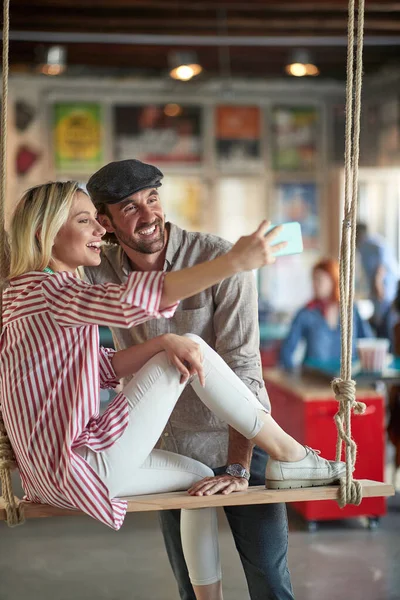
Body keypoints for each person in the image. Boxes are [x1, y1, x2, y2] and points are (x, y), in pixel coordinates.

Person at [0, 181, 346, 600]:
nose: (98, 232)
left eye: (96, 220)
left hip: (51, 476)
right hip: (83, 463)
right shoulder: (51, 291)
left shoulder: (19, 294)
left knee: (196, 480)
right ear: (43, 233)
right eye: (84, 221)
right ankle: (291, 455)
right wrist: (234, 261)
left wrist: (164, 341)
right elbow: (138, 300)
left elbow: (99, 367)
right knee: (193, 346)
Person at [84, 159, 293, 600]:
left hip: (241, 443)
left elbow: (242, 365)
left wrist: (238, 466)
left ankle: (289, 454)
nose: (148, 215)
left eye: (153, 198)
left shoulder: (218, 260)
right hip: (170, 455)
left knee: (270, 584)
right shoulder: (97, 269)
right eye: (129, 207)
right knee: (192, 589)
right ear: (104, 221)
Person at [280, 258, 373, 370]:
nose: (314, 285)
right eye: (313, 280)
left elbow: (369, 343)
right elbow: (287, 350)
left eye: (319, 280)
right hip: (314, 379)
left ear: (333, 281)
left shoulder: (351, 311)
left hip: (348, 379)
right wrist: (294, 376)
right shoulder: (305, 313)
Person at [356, 222, 399, 330]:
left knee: (388, 325)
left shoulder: (371, 244)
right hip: (380, 293)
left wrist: (378, 284)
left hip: (386, 291)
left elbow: (382, 266)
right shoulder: (364, 247)